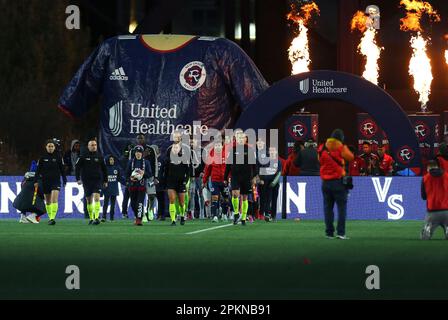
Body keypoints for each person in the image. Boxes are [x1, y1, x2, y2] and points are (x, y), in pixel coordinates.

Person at [318, 129, 354, 239]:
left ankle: (329, 233)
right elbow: (351, 157)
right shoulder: (341, 147)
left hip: (325, 183)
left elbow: (319, 160)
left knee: (327, 209)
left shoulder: (322, 147)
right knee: (341, 209)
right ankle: (341, 233)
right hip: (338, 182)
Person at [224, 130, 258, 226]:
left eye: (242, 138)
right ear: (236, 139)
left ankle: (243, 218)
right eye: (238, 138)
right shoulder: (232, 150)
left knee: (244, 197)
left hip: (247, 177)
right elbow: (228, 165)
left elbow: (255, 165)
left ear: (245, 139)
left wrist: (254, 176)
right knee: (235, 194)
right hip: (235, 176)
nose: (240, 139)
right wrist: (225, 177)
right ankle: (235, 213)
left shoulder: (250, 150)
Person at [35, 139, 67, 225]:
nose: (50, 148)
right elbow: (38, 171)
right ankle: (50, 218)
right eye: (49, 146)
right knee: (48, 201)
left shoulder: (58, 157)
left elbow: (62, 169)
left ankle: (52, 218)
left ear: (54, 147)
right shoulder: (42, 157)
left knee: (54, 199)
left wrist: (64, 179)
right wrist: (36, 180)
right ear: (46, 147)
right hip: (45, 181)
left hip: (55, 181)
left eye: (52, 146)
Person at [75, 139, 108, 225]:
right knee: (89, 200)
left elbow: (104, 169)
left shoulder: (100, 156)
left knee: (97, 198)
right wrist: (77, 178)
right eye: (92, 145)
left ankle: (96, 218)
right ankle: (91, 218)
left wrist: (105, 180)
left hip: (97, 180)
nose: (94, 146)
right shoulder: (83, 156)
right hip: (86, 181)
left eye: (95, 145)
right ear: (88, 146)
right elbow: (77, 167)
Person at [165, 142, 191, 226]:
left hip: (181, 182)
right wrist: (165, 181)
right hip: (171, 183)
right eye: (174, 148)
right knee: (172, 200)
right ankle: (173, 220)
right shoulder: (168, 159)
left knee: (182, 202)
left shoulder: (184, 158)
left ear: (180, 149)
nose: (175, 149)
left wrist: (185, 181)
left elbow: (188, 171)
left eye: (177, 148)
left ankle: (182, 216)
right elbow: (165, 172)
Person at [420, 160, 448, 240]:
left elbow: (423, 196)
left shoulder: (425, 178)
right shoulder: (447, 175)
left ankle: (428, 228)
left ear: (428, 167)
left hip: (432, 212)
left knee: (424, 237)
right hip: (447, 211)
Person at [126, 146, 153, 226]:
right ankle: (138, 215)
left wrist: (142, 173)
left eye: (140, 152)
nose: (138, 154)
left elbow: (150, 174)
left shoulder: (146, 162)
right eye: (137, 152)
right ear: (135, 153)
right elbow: (127, 173)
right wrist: (129, 179)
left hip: (141, 186)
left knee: (140, 203)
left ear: (142, 153)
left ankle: (139, 220)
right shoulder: (131, 162)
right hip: (132, 185)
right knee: (133, 204)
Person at [203, 139, 229, 223]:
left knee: (226, 198)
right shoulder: (211, 155)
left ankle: (224, 214)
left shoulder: (226, 154)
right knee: (215, 198)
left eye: (219, 145)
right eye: (216, 146)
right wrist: (204, 180)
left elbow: (230, 168)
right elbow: (207, 169)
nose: (218, 147)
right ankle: (214, 216)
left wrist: (229, 178)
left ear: (222, 146)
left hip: (224, 181)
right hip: (214, 180)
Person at [259, 147, 283, 222]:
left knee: (274, 200)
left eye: (273, 150)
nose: (272, 152)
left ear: (276, 152)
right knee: (267, 199)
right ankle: (267, 215)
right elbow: (262, 171)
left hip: (274, 183)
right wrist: (262, 179)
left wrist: (274, 182)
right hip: (266, 183)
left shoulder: (278, 162)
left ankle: (273, 216)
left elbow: (279, 173)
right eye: (271, 150)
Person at [102, 155, 124, 222]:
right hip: (107, 188)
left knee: (113, 204)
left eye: (113, 160)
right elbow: (102, 179)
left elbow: (120, 178)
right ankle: (104, 217)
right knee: (105, 203)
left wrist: (126, 182)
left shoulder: (116, 168)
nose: (112, 161)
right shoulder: (105, 168)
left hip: (114, 188)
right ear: (107, 160)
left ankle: (111, 218)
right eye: (110, 159)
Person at [144, 144, 160, 222]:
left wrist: (156, 177)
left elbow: (155, 164)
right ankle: (142, 213)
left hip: (150, 177)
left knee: (152, 195)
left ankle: (150, 210)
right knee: (140, 196)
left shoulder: (151, 150)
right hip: (139, 178)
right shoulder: (135, 150)